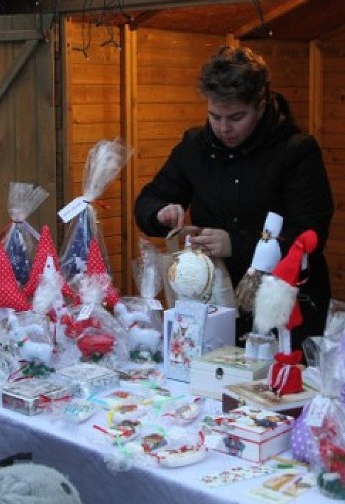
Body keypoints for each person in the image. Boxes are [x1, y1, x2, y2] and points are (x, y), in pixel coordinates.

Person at [134, 46, 334, 350]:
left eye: (236, 117)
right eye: (214, 116)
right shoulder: (195, 146)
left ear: (261, 106)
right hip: (213, 304)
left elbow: (310, 234)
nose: (224, 128)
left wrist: (237, 245)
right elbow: (147, 201)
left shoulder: (296, 151)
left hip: (283, 308)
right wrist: (160, 212)